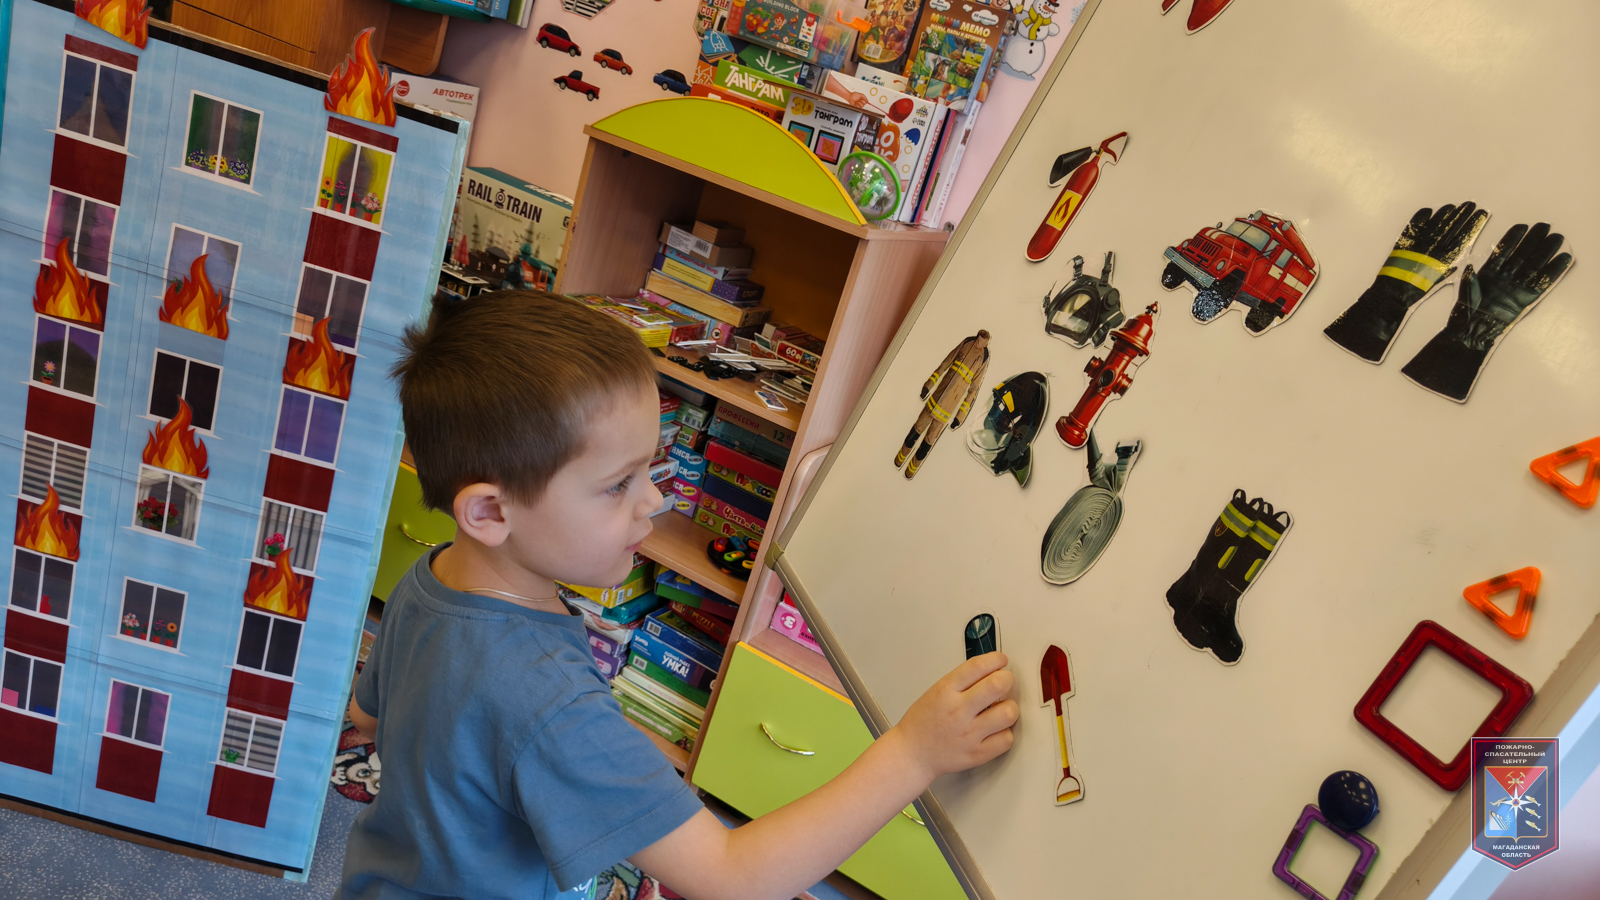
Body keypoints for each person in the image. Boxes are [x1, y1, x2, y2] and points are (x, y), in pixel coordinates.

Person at [338, 291, 1019, 900]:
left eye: (650, 469)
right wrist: (913, 754)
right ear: (490, 512)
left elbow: (369, 717)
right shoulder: (550, 702)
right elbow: (732, 876)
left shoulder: (428, 579)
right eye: (617, 485)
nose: (655, 500)